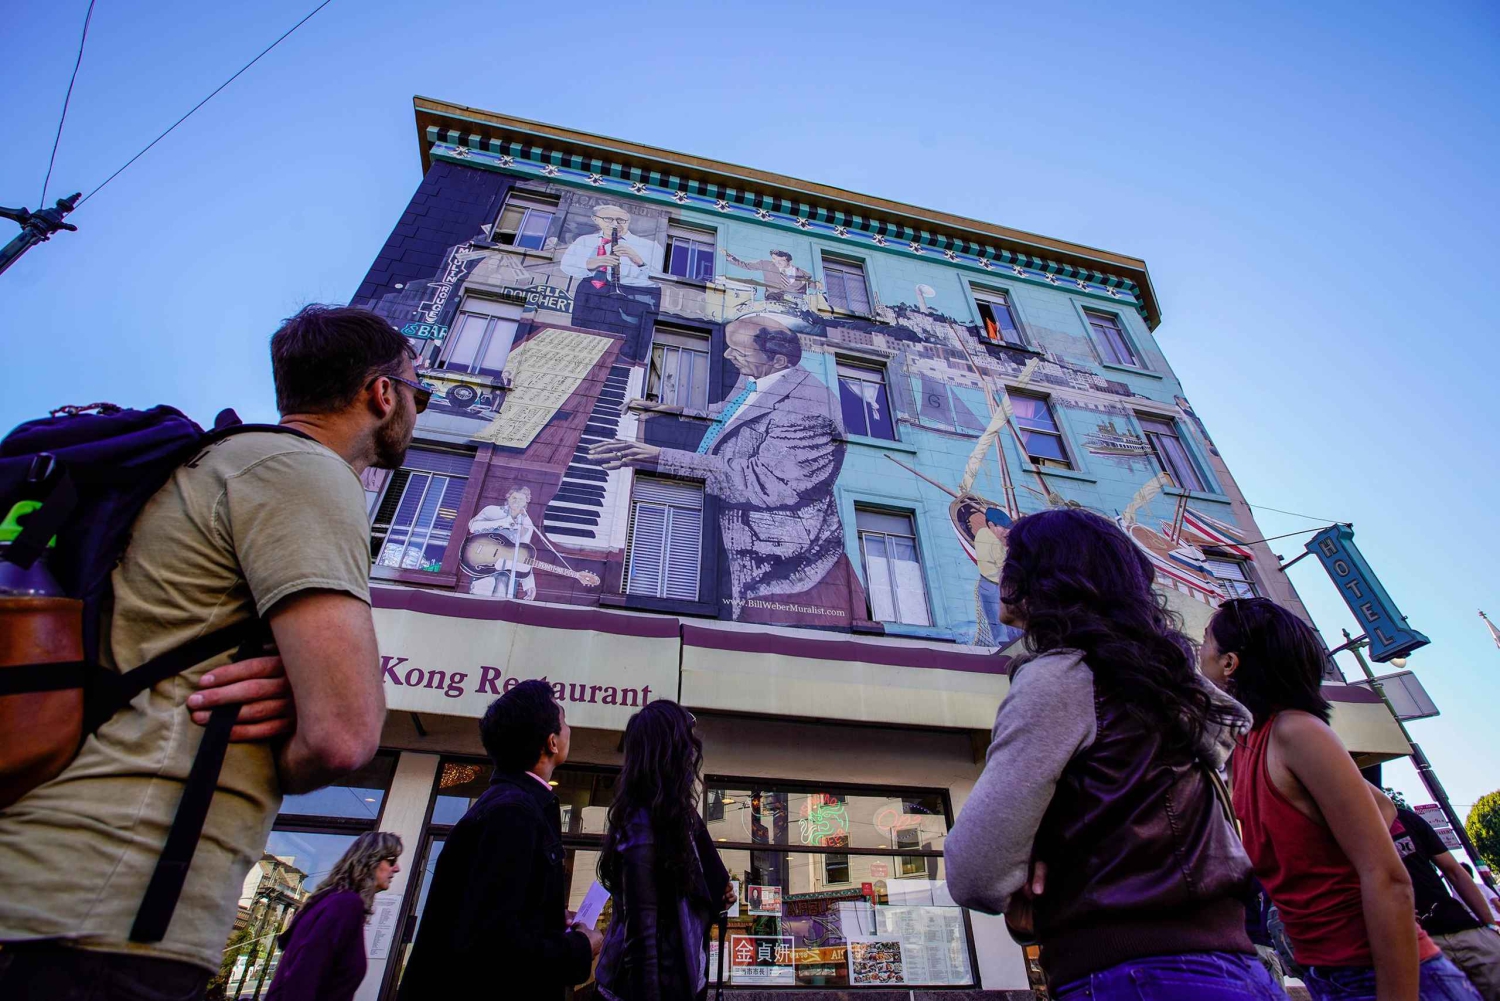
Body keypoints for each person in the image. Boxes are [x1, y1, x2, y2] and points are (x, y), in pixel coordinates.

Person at [0, 305, 407, 998]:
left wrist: (305, 691)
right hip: (106, 912)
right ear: (382, 392)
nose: (415, 409)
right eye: (417, 392)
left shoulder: (219, 463)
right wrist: (307, 715)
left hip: (49, 883)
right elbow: (345, 734)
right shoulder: (304, 472)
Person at [945, 508, 1286, 1000]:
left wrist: (1028, 866)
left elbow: (975, 870)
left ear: (1047, 575)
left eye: (1013, 557)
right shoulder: (1166, 691)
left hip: (1131, 976)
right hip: (1232, 970)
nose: (1000, 568)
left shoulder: (1060, 678)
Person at [1201, 596, 1479, 1001]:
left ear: (1230, 663)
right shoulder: (1247, 744)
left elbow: (1388, 877)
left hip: (1389, 976)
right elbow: (1381, 807)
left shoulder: (1296, 732)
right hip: (1330, 976)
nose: (1198, 650)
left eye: (1206, 639)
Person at [589, 315, 855, 625]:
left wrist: (660, 457)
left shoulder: (807, 411)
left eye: (739, 351)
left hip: (772, 546)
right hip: (728, 496)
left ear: (779, 359)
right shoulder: (760, 374)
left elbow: (762, 482)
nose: (728, 356)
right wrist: (669, 409)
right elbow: (729, 415)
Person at [398, 680, 601, 1000]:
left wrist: (548, 920)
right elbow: (493, 945)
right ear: (551, 742)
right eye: (564, 719)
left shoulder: (508, 806)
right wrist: (579, 947)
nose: (569, 728)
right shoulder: (513, 815)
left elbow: (495, 915)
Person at [594, 701, 734, 1000]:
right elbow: (642, 941)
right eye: (685, 743)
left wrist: (715, 895)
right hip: (656, 988)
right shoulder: (642, 824)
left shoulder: (680, 817)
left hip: (683, 981)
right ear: (670, 752)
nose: (692, 754)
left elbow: (697, 891)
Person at [265, 831, 404, 1001]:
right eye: (390, 861)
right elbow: (304, 975)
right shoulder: (345, 905)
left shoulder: (330, 901)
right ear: (369, 861)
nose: (397, 868)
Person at [1390, 808, 1500, 999]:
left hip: (1465, 929)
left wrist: (1489, 925)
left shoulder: (1403, 817)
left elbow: (1454, 871)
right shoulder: (1341, 831)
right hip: (1417, 945)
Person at [559, 203, 662, 344]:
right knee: (583, 338)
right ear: (596, 219)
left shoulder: (650, 246)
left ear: (628, 222)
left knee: (625, 344)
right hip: (590, 291)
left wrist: (637, 260)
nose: (615, 224)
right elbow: (566, 266)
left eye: (621, 221)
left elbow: (659, 280)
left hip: (633, 295)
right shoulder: (584, 241)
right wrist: (593, 263)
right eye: (608, 219)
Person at [467, 485, 538, 599]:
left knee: (502, 596)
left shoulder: (526, 523)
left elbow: (523, 554)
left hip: (505, 571)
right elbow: (472, 526)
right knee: (480, 599)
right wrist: (503, 522)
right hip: (482, 563)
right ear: (508, 498)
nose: (517, 502)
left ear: (526, 502)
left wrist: (529, 585)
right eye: (514, 498)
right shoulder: (492, 510)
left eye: (521, 499)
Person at [722, 249, 812, 302]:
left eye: (780, 260)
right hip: (773, 300)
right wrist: (730, 257)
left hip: (794, 303)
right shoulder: (766, 265)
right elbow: (747, 265)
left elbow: (811, 285)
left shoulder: (801, 273)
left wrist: (818, 284)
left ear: (787, 260)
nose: (776, 263)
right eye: (774, 259)